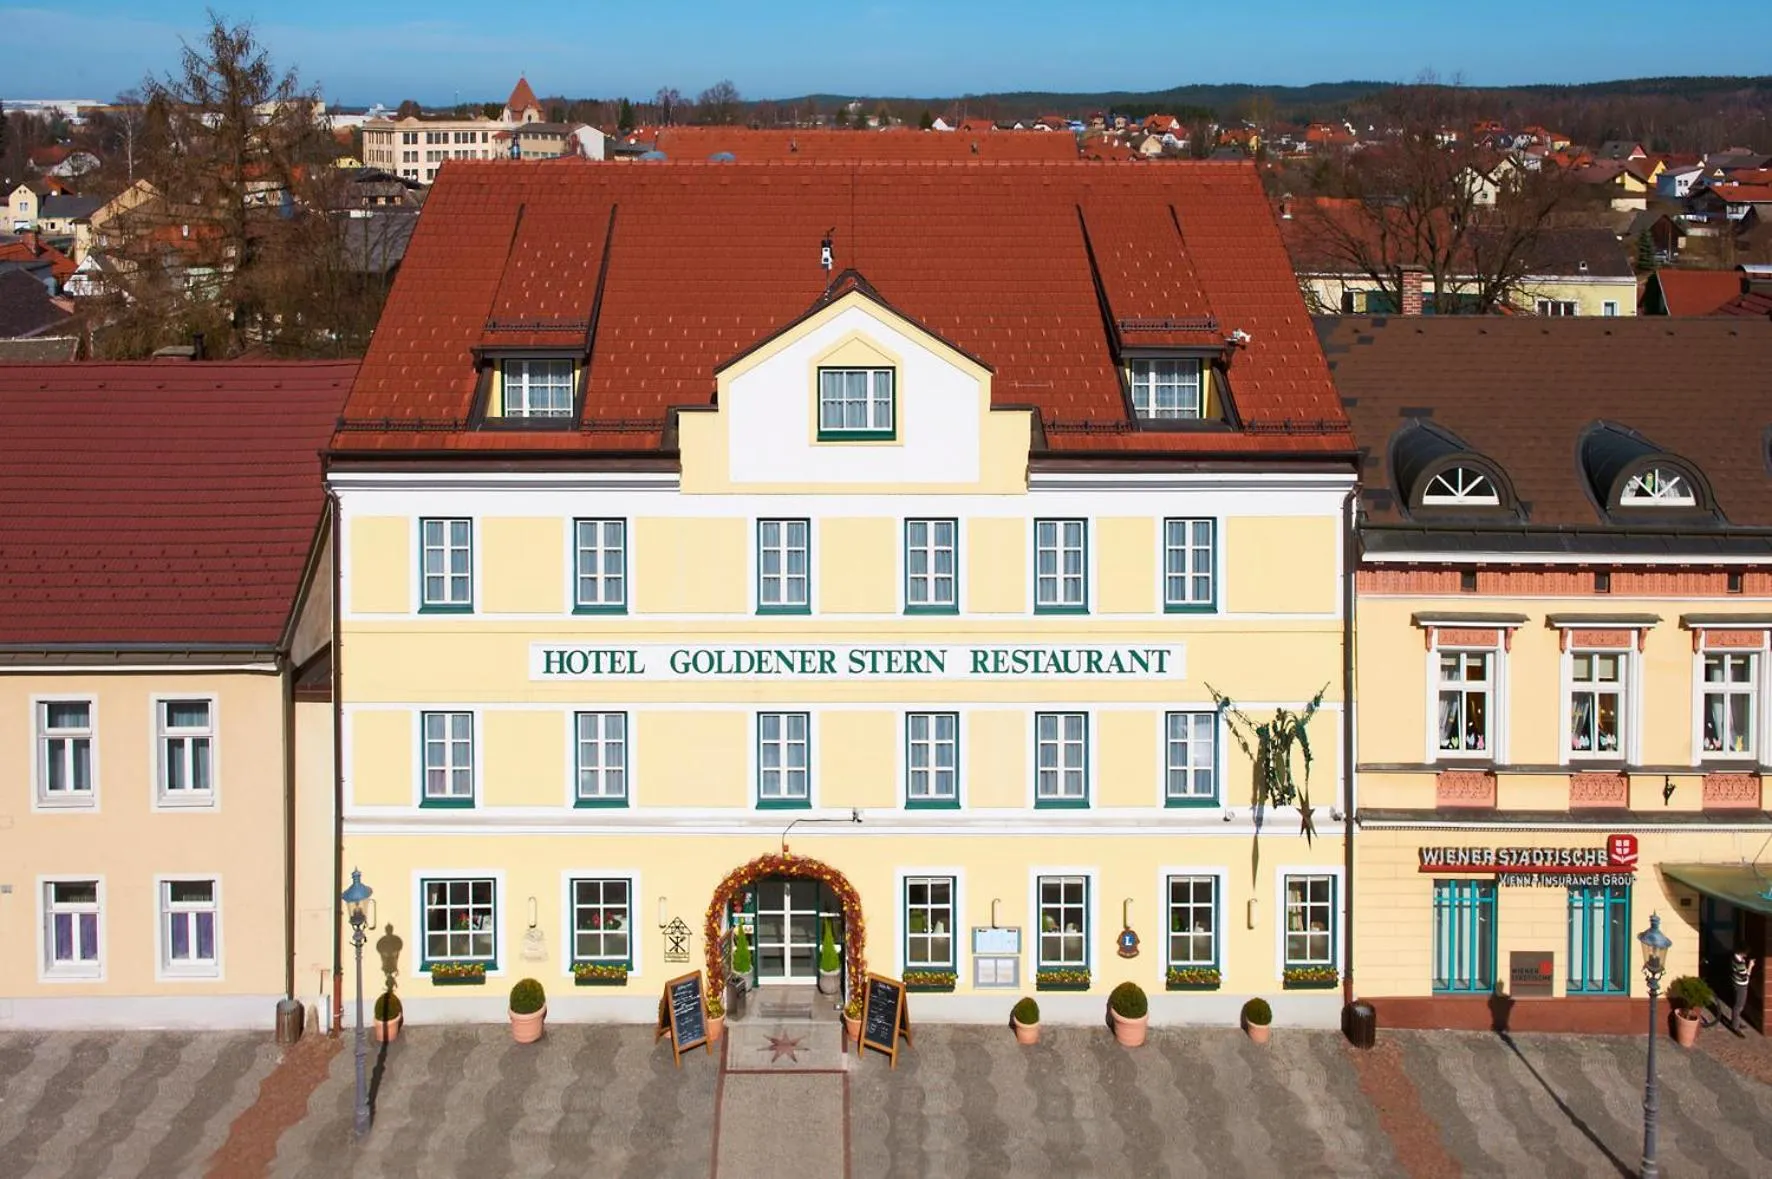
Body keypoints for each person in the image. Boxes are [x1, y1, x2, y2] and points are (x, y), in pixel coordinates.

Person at [1730, 950, 1755, 1036]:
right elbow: (1745, 977)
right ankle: (1735, 1027)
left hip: (1736, 983)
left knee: (1738, 1004)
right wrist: (1750, 966)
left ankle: (1736, 1021)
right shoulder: (1739, 963)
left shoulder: (1734, 957)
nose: (1746, 955)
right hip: (1741, 985)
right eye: (1745, 953)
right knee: (1739, 1006)